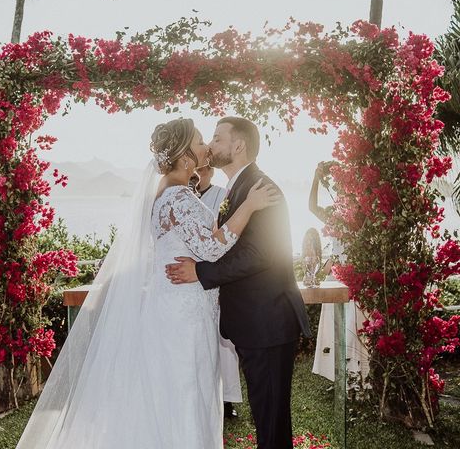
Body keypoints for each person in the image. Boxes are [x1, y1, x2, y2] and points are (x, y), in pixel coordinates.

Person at [17, 118, 279, 448]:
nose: (207, 147)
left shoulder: (171, 192)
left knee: (174, 391)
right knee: (186, 391)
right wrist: (249, 207)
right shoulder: (178, 198)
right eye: (201, 141)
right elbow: (212, 247)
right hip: (184, 315)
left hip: (176, 306)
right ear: (186, 157)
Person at [166, 116, 311, 449]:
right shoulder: (240, 188)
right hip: (255, 323)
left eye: (217, 138)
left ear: (239, 145)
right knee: (267, 417)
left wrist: (200, 272)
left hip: (268, 321)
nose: (211, 145)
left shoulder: (262, 188)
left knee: (271, 420)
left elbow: (261, 252)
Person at [308, 161, 369, 384]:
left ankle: (358, 378)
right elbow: (312, 207)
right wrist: (316, 177)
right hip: (335, 278)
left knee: (353, 329)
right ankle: (341, 377)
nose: (343, 193)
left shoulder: (363, 219)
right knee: (336, 330)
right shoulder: (334, 216)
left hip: (355, 278)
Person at [190, 165, 243, 419]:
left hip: (216, 274)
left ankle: (227, 399)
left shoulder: (222, 194)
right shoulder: (182, 195)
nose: (203, 171)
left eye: (206, 168)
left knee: (224, 342)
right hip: (191, 279)